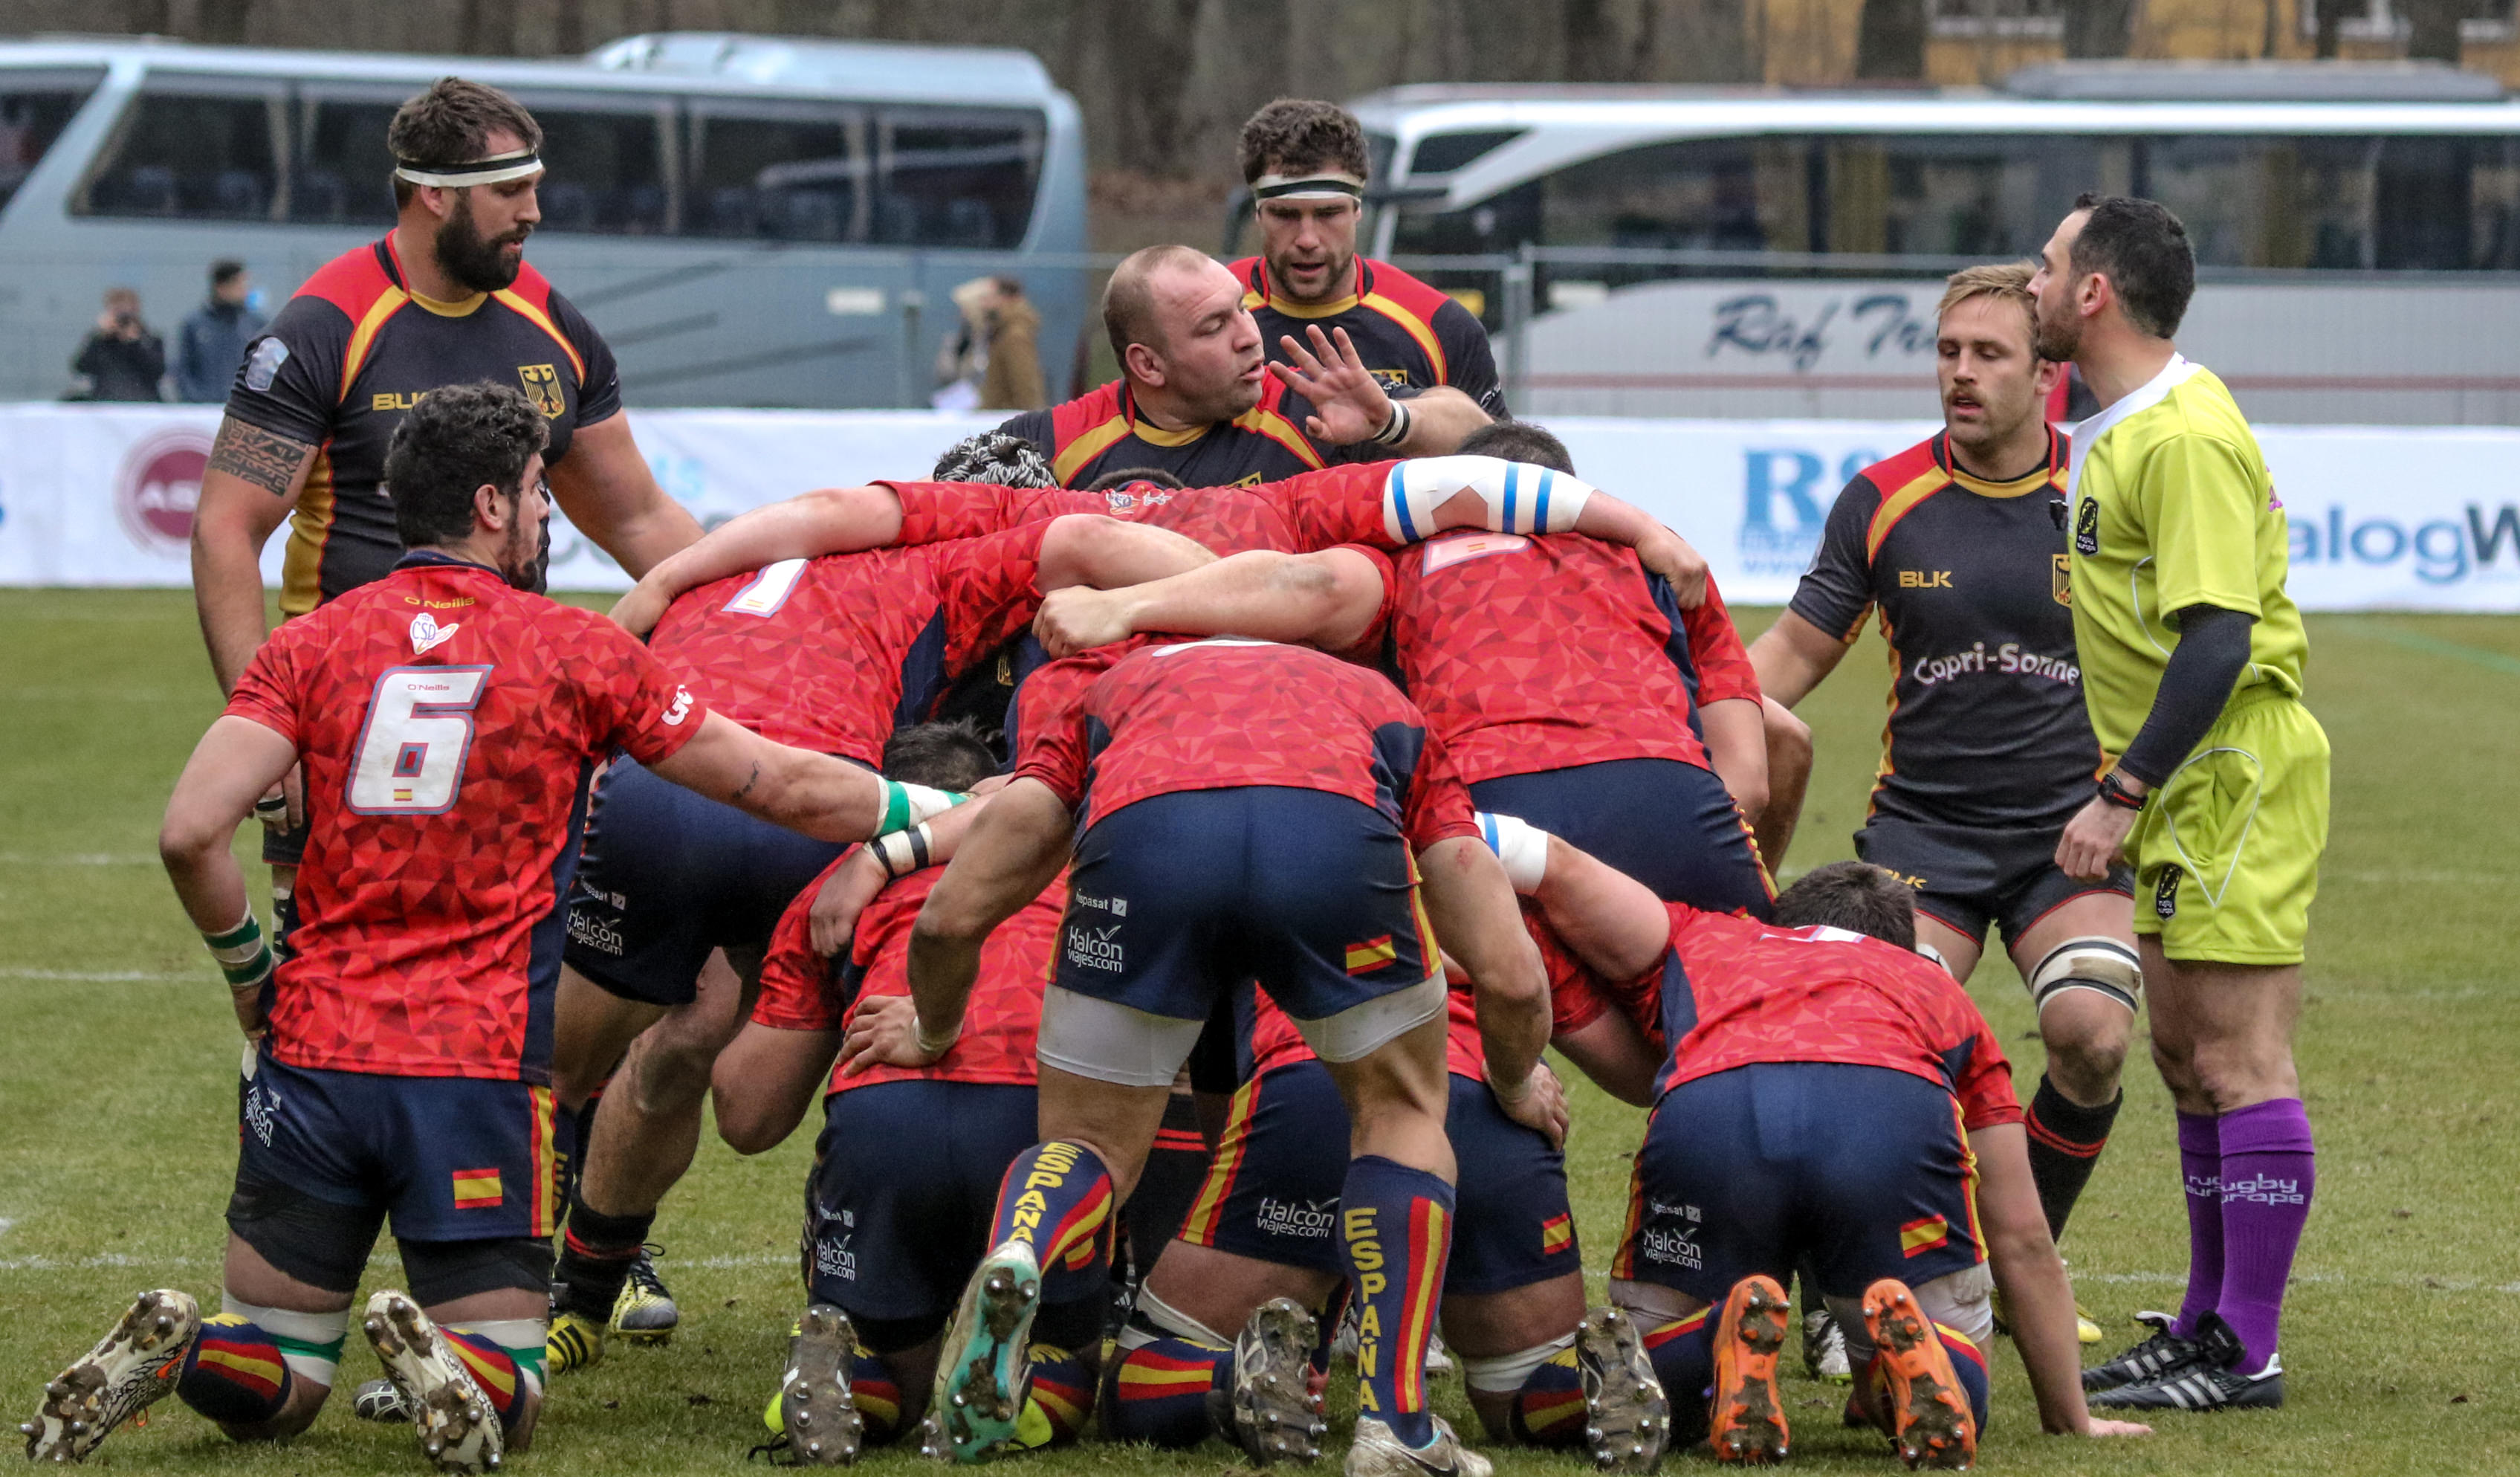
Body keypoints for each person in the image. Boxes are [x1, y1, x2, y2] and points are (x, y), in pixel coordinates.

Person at [19, 384, 962, 1475]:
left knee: (279, 1374)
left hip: (314, 1050)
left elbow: (191, 832)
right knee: (505, 1395)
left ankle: (192, 1348)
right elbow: (779, 784)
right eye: (535, 492)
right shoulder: (575, 649)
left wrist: (247, 973)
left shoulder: (312, 642)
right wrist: (944, 807)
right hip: (472, 1063)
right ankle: (455, 1362)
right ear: (490, 505)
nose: (546, 513)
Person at [185, 75, 705, 1335]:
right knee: (332, 1005)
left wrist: (754, 626)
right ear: (429, 196)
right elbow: (227, 527)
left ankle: (574, 1242)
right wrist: (269, 735)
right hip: (356, 742)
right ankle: (307, 1267)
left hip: (519, 742)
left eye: (534, 185)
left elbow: (640, 519)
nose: (534, 211)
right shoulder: (325, 327)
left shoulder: (552, 328)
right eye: (510, 190)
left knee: (554, 989)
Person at [539, 507, 1218, 1377]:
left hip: (666, 789)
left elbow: (747, 1120)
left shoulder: (732, 568)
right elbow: (1080, 552)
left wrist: (661, 582)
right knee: (1129, 1016)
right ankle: (1115, 1313)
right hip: (830, 814)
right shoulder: (949, 564)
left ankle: (549, 1302)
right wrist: (1226, 604)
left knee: (582, 1070)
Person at [901, 630, 1550, 1477]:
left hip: (1148, 835)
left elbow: (946, 921)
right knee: (1400, 1114)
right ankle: (1398, 1427)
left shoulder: (1107, 691)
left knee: (1089, 1141)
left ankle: (1021, 1245)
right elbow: (1512, 976)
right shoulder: (1379, 701)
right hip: (1331, 835)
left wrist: (933, 1031)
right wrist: (1513, 1079)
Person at [1747, 263, 2140, 1325]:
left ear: (2047, 374)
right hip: (1923, 837)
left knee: (2092, 1033)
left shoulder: (2105, 485)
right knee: (1875, 1049)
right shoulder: (1885, 497)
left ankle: (2019, 1270)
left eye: (1988, 354)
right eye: (1947, 352)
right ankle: (1847, 1289)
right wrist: (1685, 720)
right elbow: (1793, 651)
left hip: (2072, 833)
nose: (1959, 374)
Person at [1500, 833, 2153, 1466]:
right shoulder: (1934, 987)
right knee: (1951, 1352)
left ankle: (1707, 1337)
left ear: (1781, 925)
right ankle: (1896, 1367)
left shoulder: (1712, 936)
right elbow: (2023, 1236)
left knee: (1604, 1376)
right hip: (1886, 1115)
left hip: (1717, 1108)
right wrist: (2070, 1417)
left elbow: (1563, 888)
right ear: (1901, 945)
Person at [1034, 420, 1769, 918]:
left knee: (1483, 1008)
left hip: (1481, 807)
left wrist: (1124, 606)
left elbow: (1316, 589)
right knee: (1733, 996)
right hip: (1664, 788)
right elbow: (1755, 773)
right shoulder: (1662, 556)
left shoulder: (1398, 559)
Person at [2030, 195, 2329, 1414]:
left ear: (2093, 291)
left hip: (2226, 771)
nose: (2032, 283)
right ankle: (2208, 1321)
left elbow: (2216, 637)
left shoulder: (2182, 435)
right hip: (2183, 779)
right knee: (2182, 1054)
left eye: (2046, 265)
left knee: (2237, 1058)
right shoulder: (2118, 427)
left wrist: (2121, 788)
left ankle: (2244, 1346)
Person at [710, 723, 1095, 1464]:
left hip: (886, 1115)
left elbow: (747, 1116)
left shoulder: (832, 895)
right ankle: (1033, 1380)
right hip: (1035, 1112)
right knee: (1071, 1354)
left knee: (889, 1360)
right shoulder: (1071, 858)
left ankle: (854, 1375)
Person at [1002, 245, 1489, 489]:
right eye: (1214, 326)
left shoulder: (1313, 406)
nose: (1250, 336)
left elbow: (1489, 444)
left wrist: (1391, 420)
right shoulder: (1048, 446)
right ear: (1147, 365)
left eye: (1241, 308)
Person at [1231, 99, 1504, 417]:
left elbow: (1499, 445)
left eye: (1328, 213)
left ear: (1357, 209)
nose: (1307, 240)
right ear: (1258, 213)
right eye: (1285, 215)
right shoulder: (1206, 319)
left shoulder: (1441, 325)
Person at [175, 261, 268, 404]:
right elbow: (182, 370)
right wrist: (197, 401)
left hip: (245, 409)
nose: (245, 290)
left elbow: (267, 368)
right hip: (204, 411)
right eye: (239, 285)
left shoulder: (256, 325)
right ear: (221, 288)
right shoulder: (194, 325)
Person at [71, 286, 164, 401]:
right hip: (106, 401)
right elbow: (81, 368)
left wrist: (134, 342)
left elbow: (157, 372)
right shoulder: (100, 340)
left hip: (143, 402)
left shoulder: (150, 340)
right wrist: (100, 337)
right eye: (117, 311)